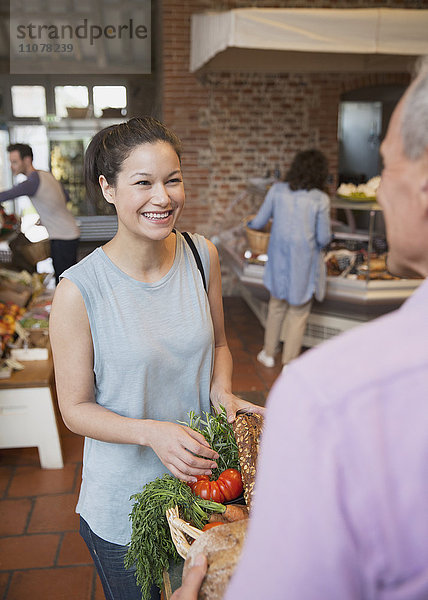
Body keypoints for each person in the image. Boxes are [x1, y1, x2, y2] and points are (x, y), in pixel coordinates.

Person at [171, 58, 428, 600]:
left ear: (423, 188)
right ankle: (281, 357)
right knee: (299, 320)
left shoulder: (331, 398)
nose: (379, 193)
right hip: (306, 269)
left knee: (282, 317)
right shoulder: (316, 200)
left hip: (278, 272)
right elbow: (322, 236)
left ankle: (271, 358)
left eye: (385, 170)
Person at [48, 116, 264, 600]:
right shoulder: (79, 291)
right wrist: (152, 432)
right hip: (124, 509)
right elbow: (75, 409)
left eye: (173, 180)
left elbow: (222, 346)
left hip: (205, 492)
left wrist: (221, 390)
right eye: (142, 183)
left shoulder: (199, 253)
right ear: (107, 188)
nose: (163, 198)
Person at [248, 149, 331, 369]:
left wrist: (247, 226)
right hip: (303, 265)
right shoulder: (320, 199)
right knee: (298, 312)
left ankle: (268, 353)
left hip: (278, 262)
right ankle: (289, 363)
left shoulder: (277, 190)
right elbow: (323, 237)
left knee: (275, 306)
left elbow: (258, 223)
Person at [0, 143, 80, 283]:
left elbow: (8, 194)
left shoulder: (32, 181)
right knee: (68, 279)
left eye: (14, 162)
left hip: (62, 237)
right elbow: (65, 197)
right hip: (69, 233)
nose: (11, 166)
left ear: (27, 160)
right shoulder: (46, 175)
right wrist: (48, 216)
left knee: (64, 282)